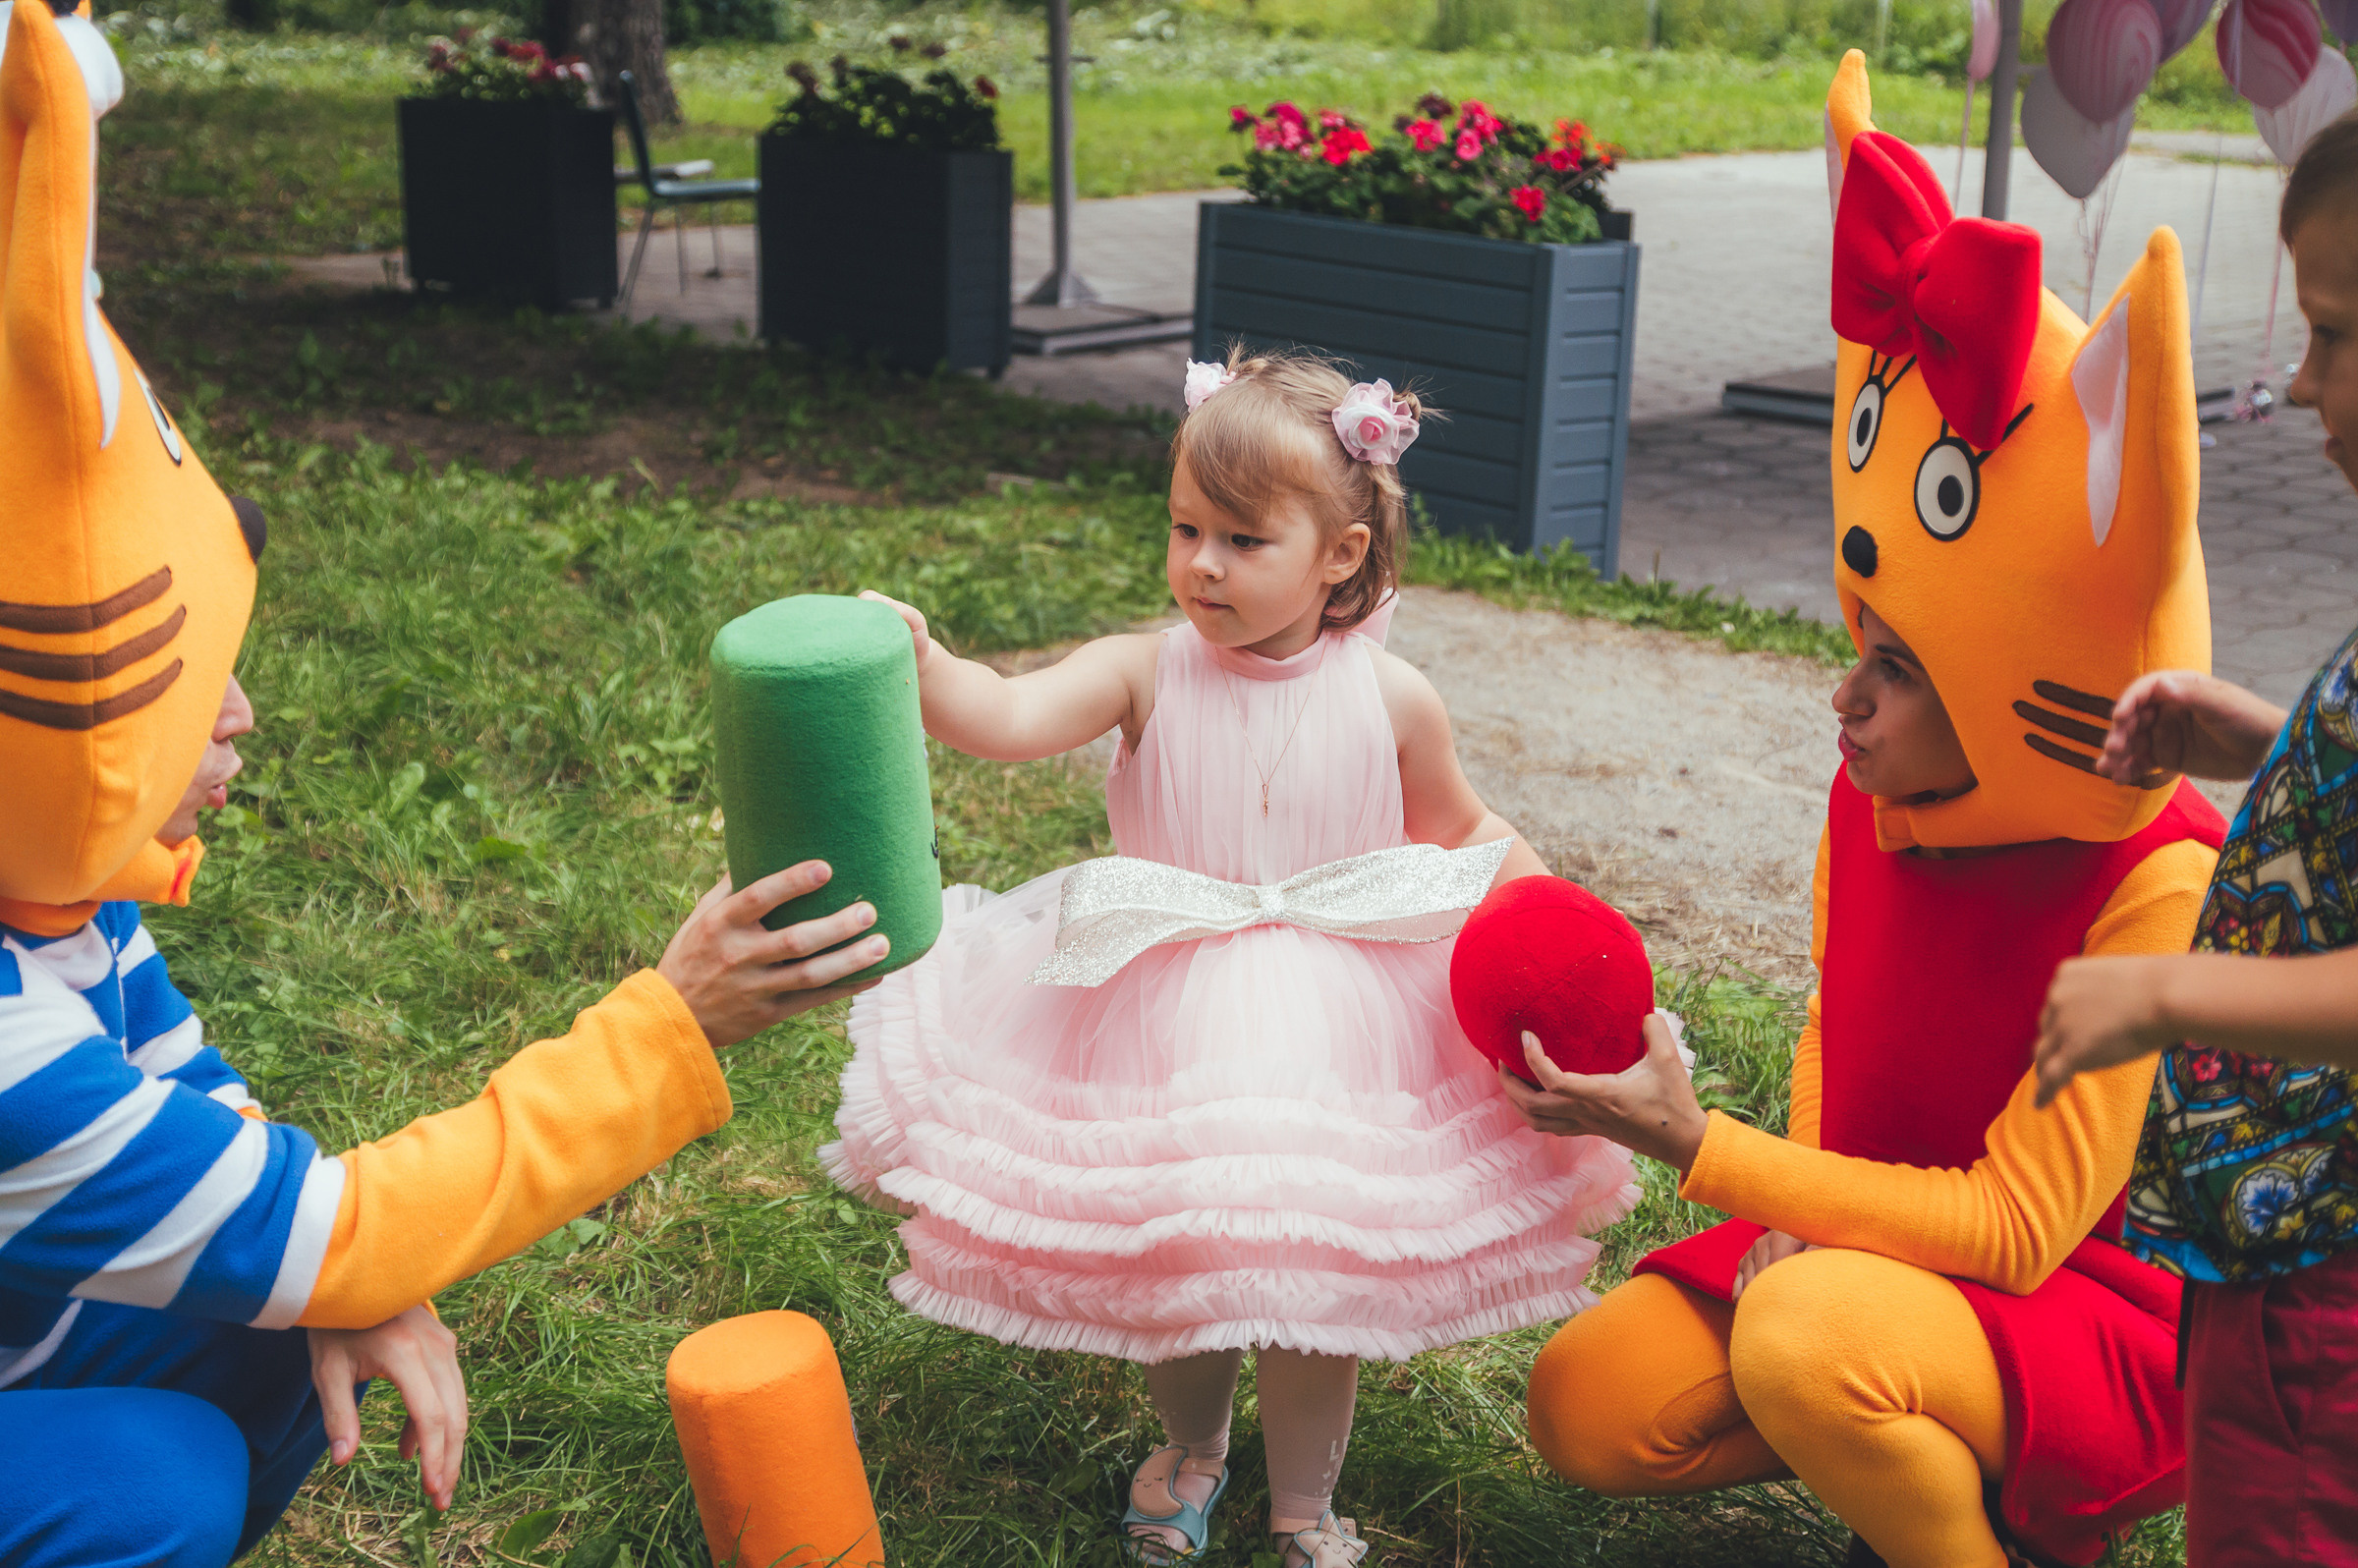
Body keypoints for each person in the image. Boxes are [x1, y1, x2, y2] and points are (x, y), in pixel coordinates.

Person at [0, 5, 883, 1560]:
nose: (245, 720)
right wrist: (671, 1022)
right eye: (189, 696)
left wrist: (354, 1280)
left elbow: (216, 1123)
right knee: (155, 1481)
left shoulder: (63, 910)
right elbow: (323, 1224)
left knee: (295, 1331)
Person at [1507, 53, 2228, 1568]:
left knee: (1807, 1336)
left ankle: (1965, 1525)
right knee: (1588, 1402)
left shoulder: (2160, 879)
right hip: (1869, 1250)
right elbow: (1849, 1015)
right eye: (1862, 644)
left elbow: (2025, 1229)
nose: (1850, 703)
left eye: (1902, 668)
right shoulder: (1883, 791)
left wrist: (1716, 1154)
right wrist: (1812, 1215)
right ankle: (1896, 1441)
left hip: (2088, 1317)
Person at [827, 350, 1639, 1567]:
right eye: (1184, 528)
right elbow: (1003, 718)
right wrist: (926, 662)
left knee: (1316, 1271)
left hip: (1342, 1016)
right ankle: (1191, 1451)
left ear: (1340, 557)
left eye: (1243, 541)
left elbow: (1465, 830)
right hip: (1168, 995)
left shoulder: (1393, 697)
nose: (1201, 563)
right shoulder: (1142, 670)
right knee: (1188, 1243)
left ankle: (1306, 1501)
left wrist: (1560, 930)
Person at [2032, 109, 2358, 1568]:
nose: (2300, 384)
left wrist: (2162, 990)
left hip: (2325, 1281)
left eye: (2339, 337)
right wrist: (2269, 741)